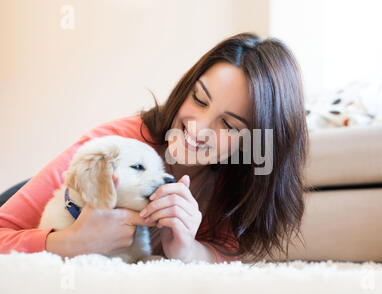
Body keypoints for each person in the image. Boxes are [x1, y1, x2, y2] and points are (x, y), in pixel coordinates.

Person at [0, 32, 309, 263]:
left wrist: (187, 249)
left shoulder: (240, 182)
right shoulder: (114, 143)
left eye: (229, 126)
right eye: (199, 99)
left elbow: (233, 257)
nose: (197, 129)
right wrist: (72, 243)